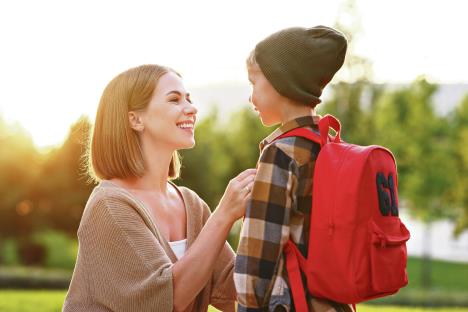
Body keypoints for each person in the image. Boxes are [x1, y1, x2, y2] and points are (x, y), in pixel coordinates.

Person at [63, 64, 256, 312]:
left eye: (189, 98)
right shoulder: (110, 205)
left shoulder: (191, 204)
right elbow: (166, 299)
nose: (192, 108)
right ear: (135, 118)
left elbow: (236, 284)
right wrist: (224, 215)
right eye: (174, 99)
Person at [234, 26, 354, 311]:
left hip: (292, 301)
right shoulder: (329, 145)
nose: (251, 98)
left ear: (280, 82)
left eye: (254, 83)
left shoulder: (280, 154)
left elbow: (260, 252)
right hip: (334, 301)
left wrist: (247, 300)